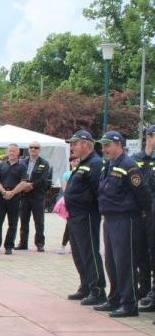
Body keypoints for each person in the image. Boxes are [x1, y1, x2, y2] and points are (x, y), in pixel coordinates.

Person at [92, 131, 151, 318]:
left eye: (107, 145)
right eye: (103, 146)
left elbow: (143, 193)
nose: (104, 149)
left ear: (119, 145)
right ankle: (115, 298)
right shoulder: (108, 165)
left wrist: (142, 214)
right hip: (110, 220)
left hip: (125, 220)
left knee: (125, 263)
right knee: (112, 263)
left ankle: (129, 304)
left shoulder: (128, 165)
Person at [64, 130, 106, 306]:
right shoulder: (83, 163)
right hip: (75, 214)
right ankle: (86, 285)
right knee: (78, 252)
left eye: (75, 144)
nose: (72, 147)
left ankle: (98, 290)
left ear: (85, 144)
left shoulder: (95, 163)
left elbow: (98, 190)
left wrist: (86, 203)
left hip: (86, 214)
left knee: (89, 252)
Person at [0, 144, 28, 255]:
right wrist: (4, 192)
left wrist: (12, 192)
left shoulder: (22, 166)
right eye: (10, 151)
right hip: (1, 197)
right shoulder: (1, 165)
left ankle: (9, 246)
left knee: (13, 224)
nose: (11, 153)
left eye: (14, 151)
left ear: (18, 152)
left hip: (15, 198)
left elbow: (24, 182)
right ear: (7, 152)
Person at [16, 141, 52, 252]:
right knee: (23, 221)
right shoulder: (22, 162)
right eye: (31, 147)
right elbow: (18, 175)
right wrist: (24, 186)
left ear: (39, 150)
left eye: (36, 147)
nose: (33, 149)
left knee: (39, 222)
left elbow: (43, 179)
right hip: (24, 196)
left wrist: (31, 185)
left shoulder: (44, 163)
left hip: (37, 196)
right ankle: (23, 243)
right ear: (28, 149)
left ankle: (40, 244)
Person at [134, 125, 155, 312]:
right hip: (139, 213)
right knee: (140, 252)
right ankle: (144, 288)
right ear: (149, 137)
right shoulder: (136, 159)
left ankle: (153, 293)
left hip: (153, 213)